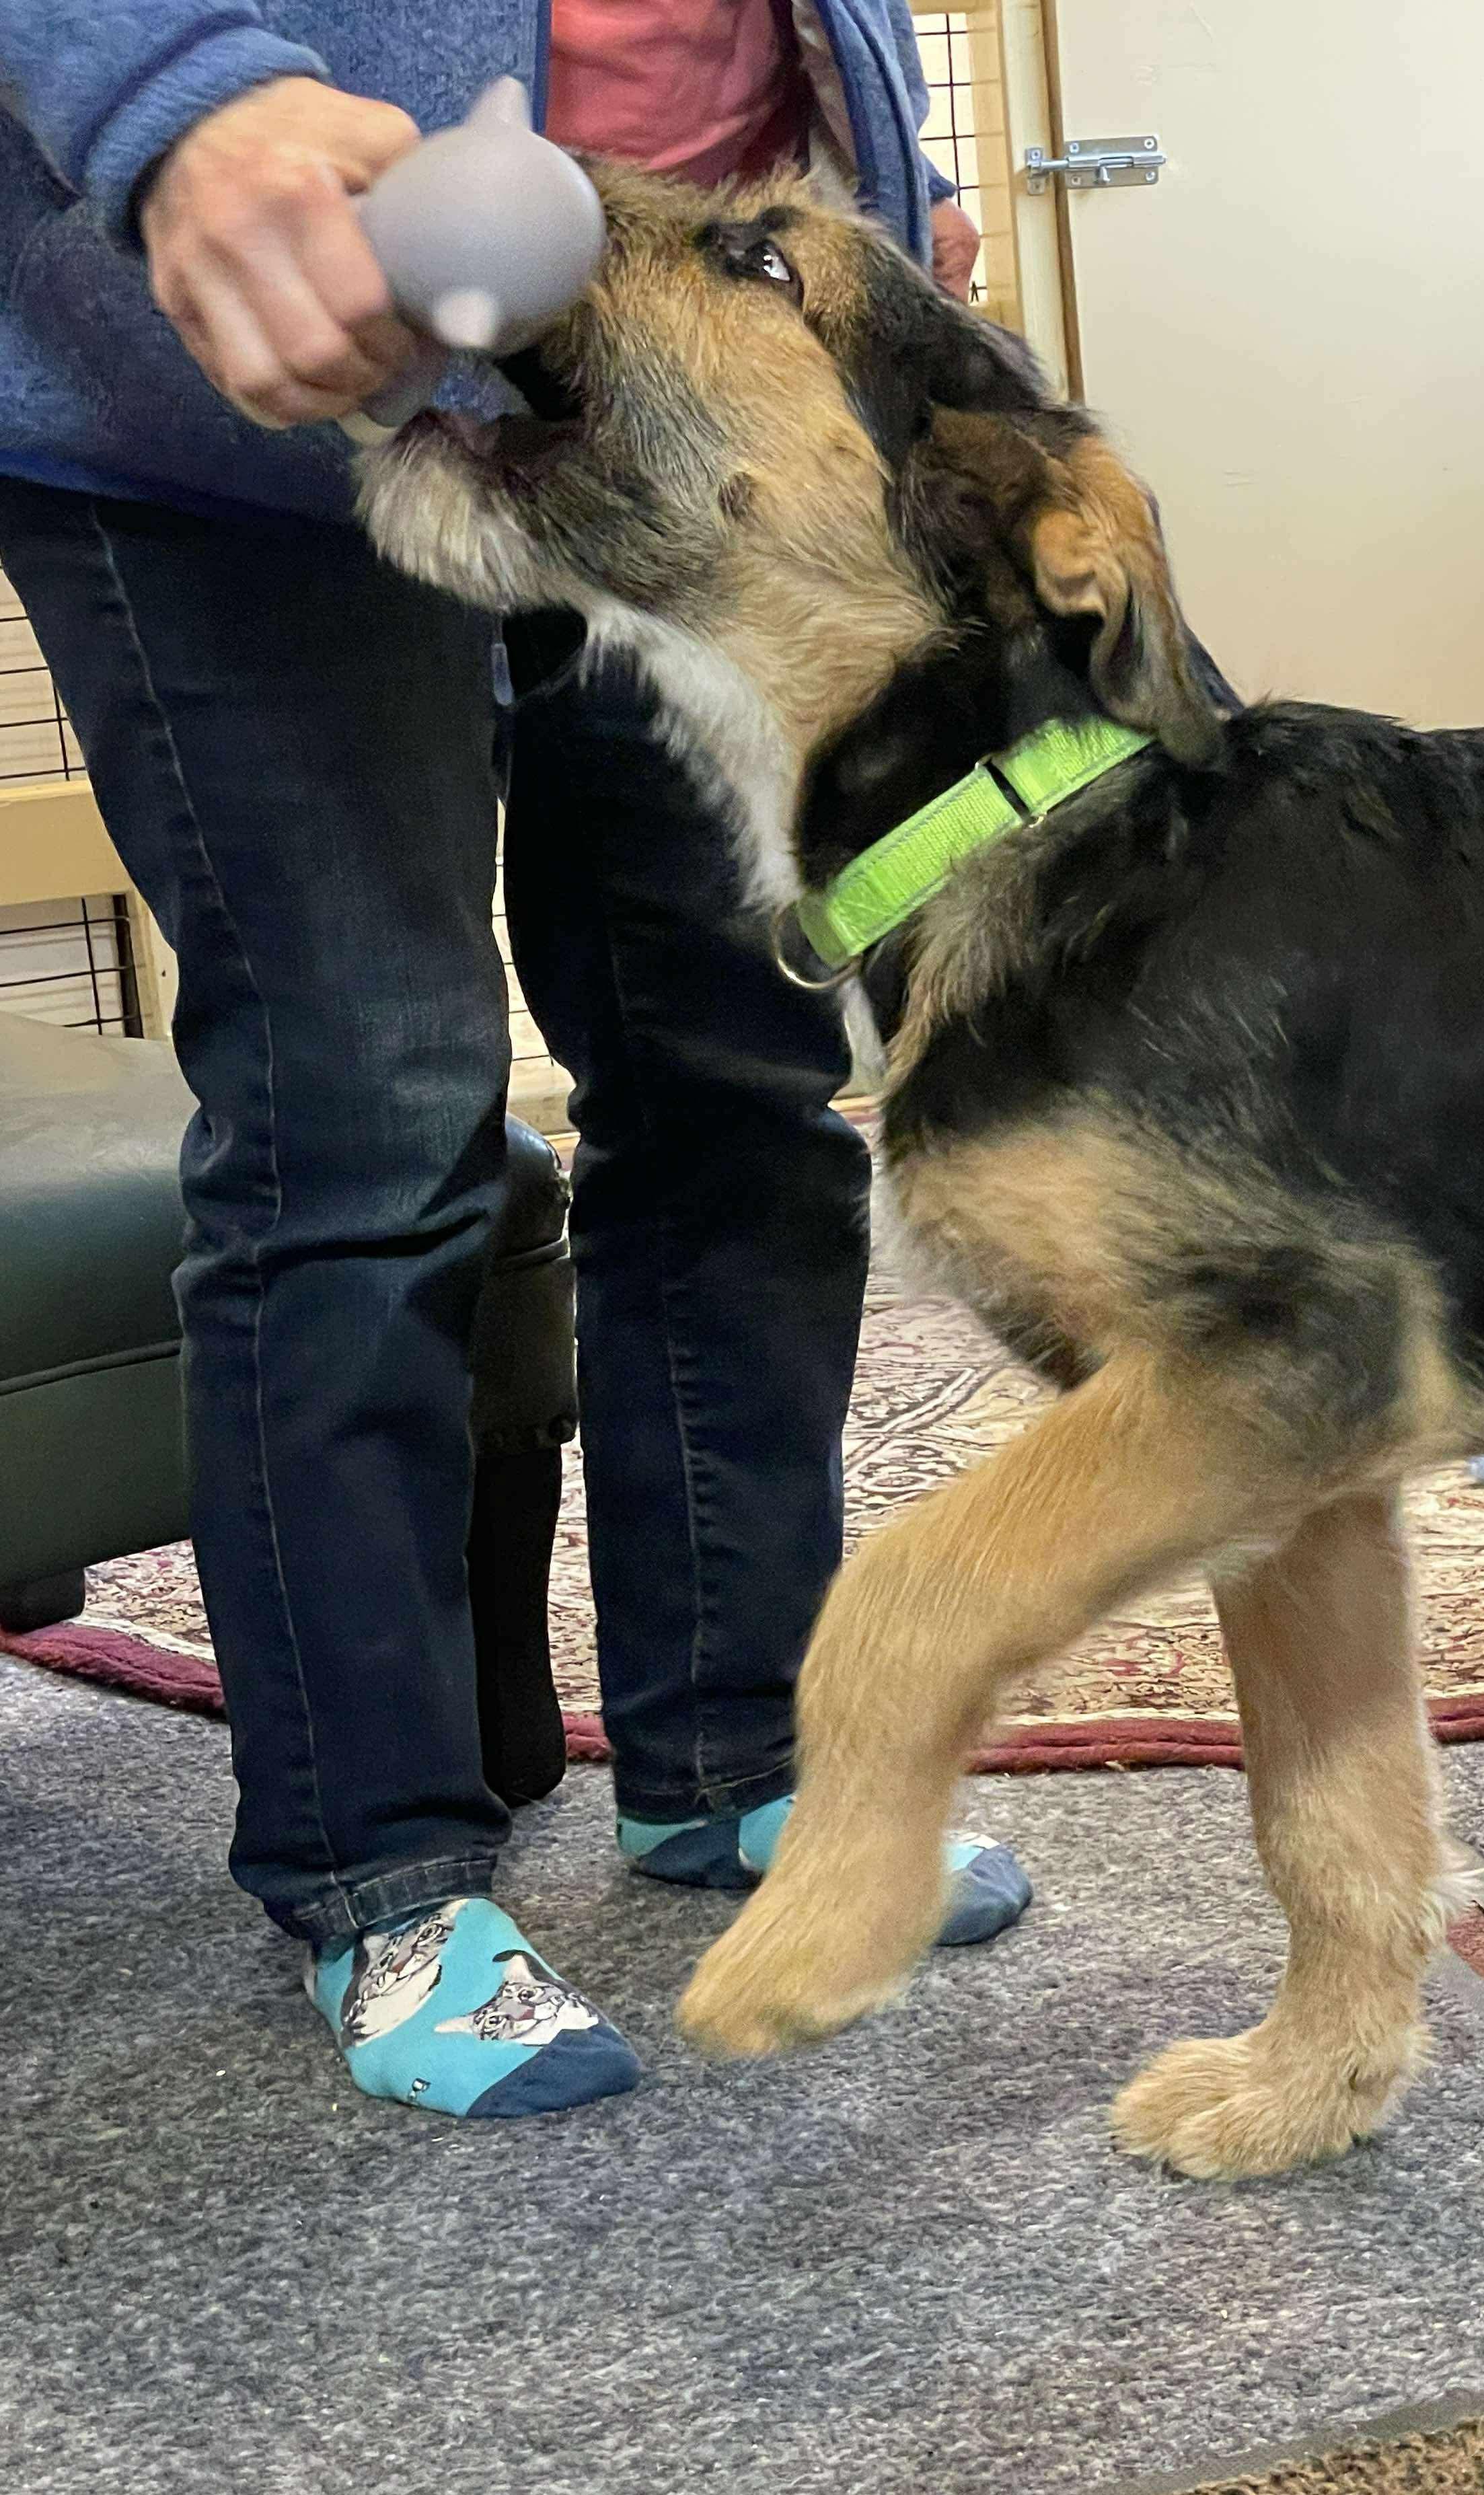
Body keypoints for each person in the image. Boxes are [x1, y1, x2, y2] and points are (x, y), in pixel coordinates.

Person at [0, 3, 1028, 2123]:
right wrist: (165, 91)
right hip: (225, 409)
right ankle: (379, 1873)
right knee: (365, 1129)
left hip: (662, 377)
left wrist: (872, 142)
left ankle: (740, 1749)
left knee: (739, 1090)